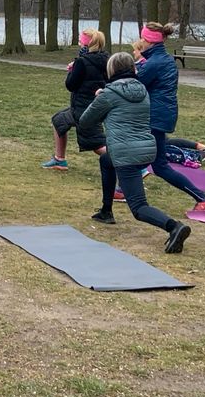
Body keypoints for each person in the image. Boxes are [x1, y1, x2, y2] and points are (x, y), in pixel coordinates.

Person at [80, 52, 192, 253]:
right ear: (133, 69)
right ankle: (106, 211)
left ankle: (174, 227)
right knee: (106, 160)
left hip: (126, 154)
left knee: (139, 208)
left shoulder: (108, 94)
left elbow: (86, 120)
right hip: (147, 149)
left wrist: (98, 98)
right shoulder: (143, 90)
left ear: (111, 70)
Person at [137, 22, 205, 211]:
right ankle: (122, 189)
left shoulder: (154, 63)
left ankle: (203, 198)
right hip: (162, 115)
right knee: (143, 156)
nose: (140, 41)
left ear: (149, 41)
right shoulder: (163, 59)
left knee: (159, 166)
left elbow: (136, 85)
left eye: (143, 38)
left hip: (155, 117)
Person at [41, 29, 108, 171]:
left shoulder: (82, 62)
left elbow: (71, 85)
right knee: (59, 121)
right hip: (93, 104)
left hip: (84, 108)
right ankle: (59, 159)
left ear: (85, 44)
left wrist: (72, 71)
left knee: (96, 144)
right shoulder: (106, 59)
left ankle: (132, 166)